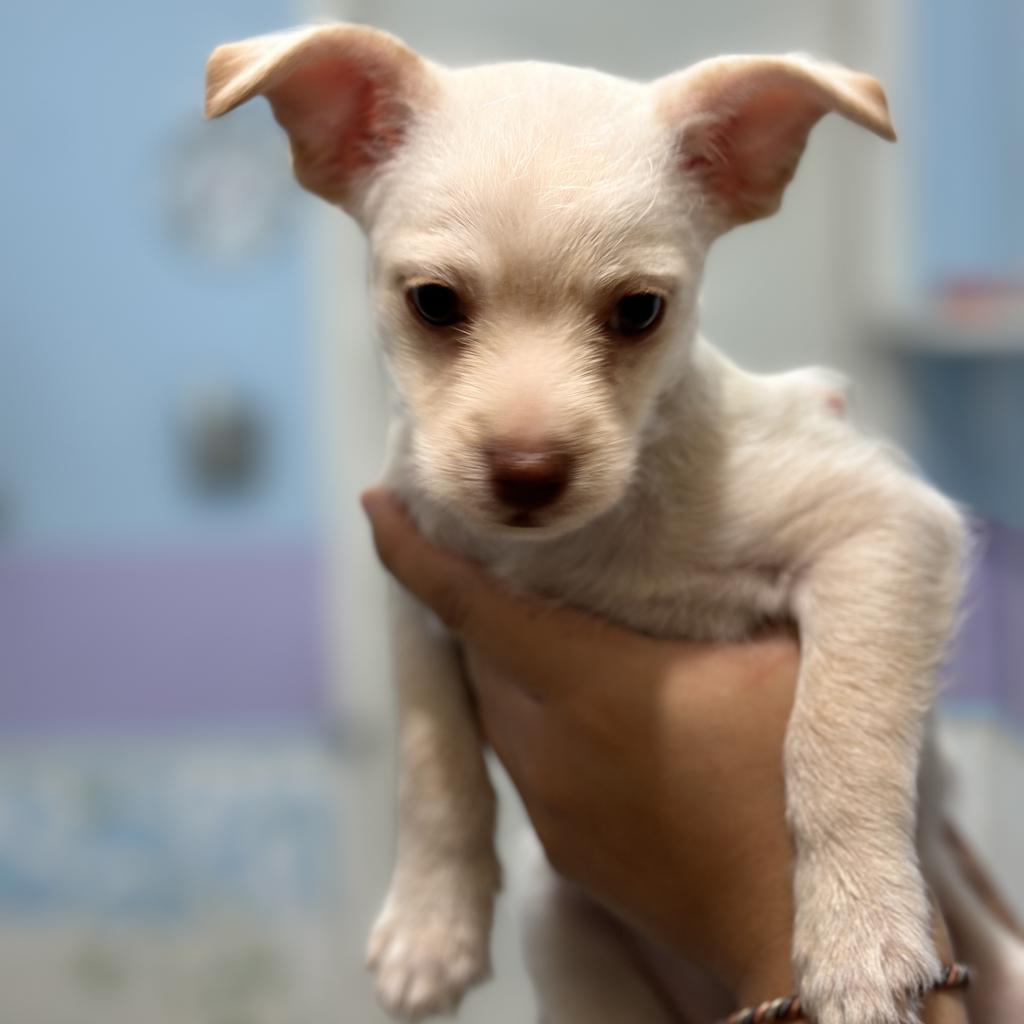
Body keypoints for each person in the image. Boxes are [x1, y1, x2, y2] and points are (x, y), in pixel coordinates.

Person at [361, 489, 969, 1023]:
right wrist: (439, 853)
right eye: (446, 345)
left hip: (846, 922)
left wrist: (785, 899)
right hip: (594, 909)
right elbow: (423, 603)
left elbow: (898, 529)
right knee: (548, 902)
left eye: (624, 345)